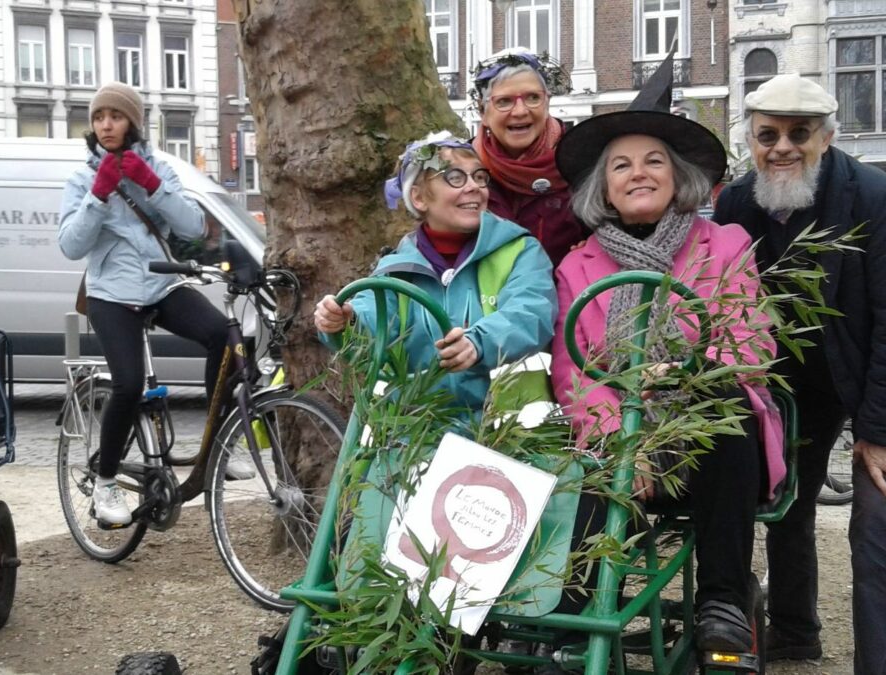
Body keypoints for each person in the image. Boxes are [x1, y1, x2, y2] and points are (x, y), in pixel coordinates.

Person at [712, 73, 886, 674]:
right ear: (751, 139)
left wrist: (879, 432)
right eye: (768, 135)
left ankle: (879, 666)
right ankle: (796, 635)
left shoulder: (876, 198)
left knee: (875, 517)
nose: (783, 147)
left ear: (827, 137)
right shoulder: (738, 202)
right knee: (786, 504)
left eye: (800, 133)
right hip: (802, 388)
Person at [549, 79, 786, 660]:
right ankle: (570, 626)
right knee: (581, 471)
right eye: (622, 166)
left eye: (654, 161)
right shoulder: (577, 265)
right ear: (602, 187)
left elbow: (750, 343)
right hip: (618, 434)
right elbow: (571, 371)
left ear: (677, 175)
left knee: (726, 411)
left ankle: (722, 600)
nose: (639, 174)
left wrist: (683, 374)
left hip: (705, 426)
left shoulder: (724, 243)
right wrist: (622, 438)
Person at [58, 82, 235, 527]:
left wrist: (151, 185)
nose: (105, 125)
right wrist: (98, 197)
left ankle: (215, 447)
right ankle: (106, 480)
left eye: (115, 117)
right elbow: (70, 246)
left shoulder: (156, 167)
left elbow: (194, 227)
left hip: (159, 284)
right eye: (99, 118)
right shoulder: (82, 178)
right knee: (128, 383)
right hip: (110, 295)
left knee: (225, 337)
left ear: (133, 122)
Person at [313, 131, 556, 413]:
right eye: (455, 177)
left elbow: (531, 313)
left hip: (507, 429)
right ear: (418, 198)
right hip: (418, 429)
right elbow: (373, 317)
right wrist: (346, 321)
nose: (474, 187)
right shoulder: (395, 269)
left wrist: (479, 343)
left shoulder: (520, 251)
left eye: (479, 177)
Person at [471, 47, 589, 269]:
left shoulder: (582, 162)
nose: (520, 111)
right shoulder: (463, 171)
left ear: (547, 103)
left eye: (533, 98)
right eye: (504, 101)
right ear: (482, 112)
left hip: (567, 298)